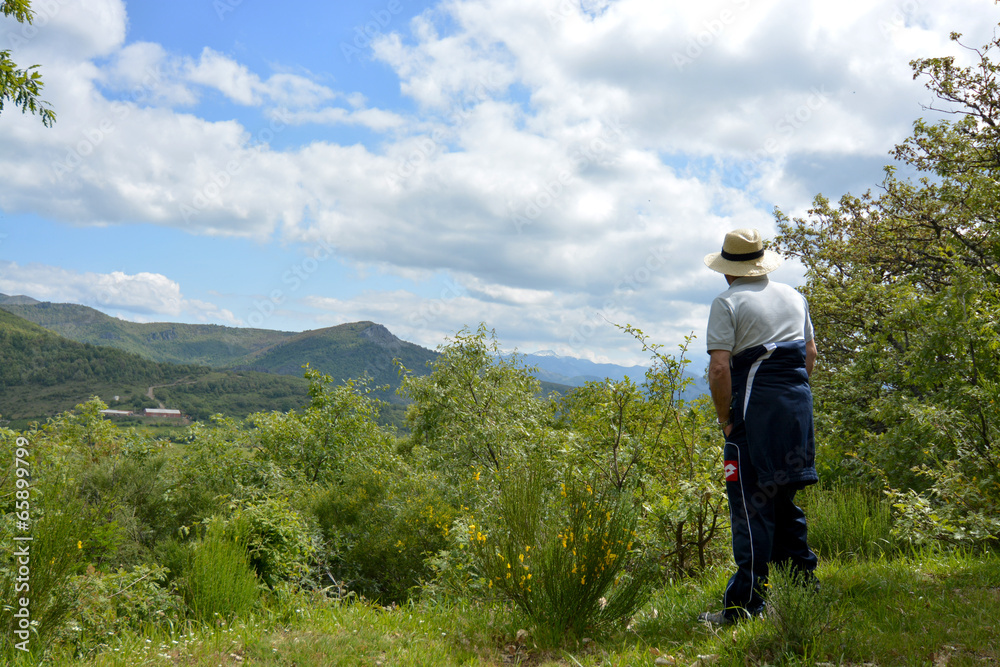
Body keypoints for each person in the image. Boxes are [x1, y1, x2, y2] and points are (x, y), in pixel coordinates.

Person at [699, 227, 819, 625]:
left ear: (727, 269)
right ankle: (803, 589)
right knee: (783, 503)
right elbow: (810, 354)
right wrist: (791, 402)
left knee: (751, 510)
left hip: (754, 417)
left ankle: (744, 607)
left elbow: (719, 369)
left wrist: (726, 420)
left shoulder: (727, 303)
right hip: (796, 412)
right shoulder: (794, 296)